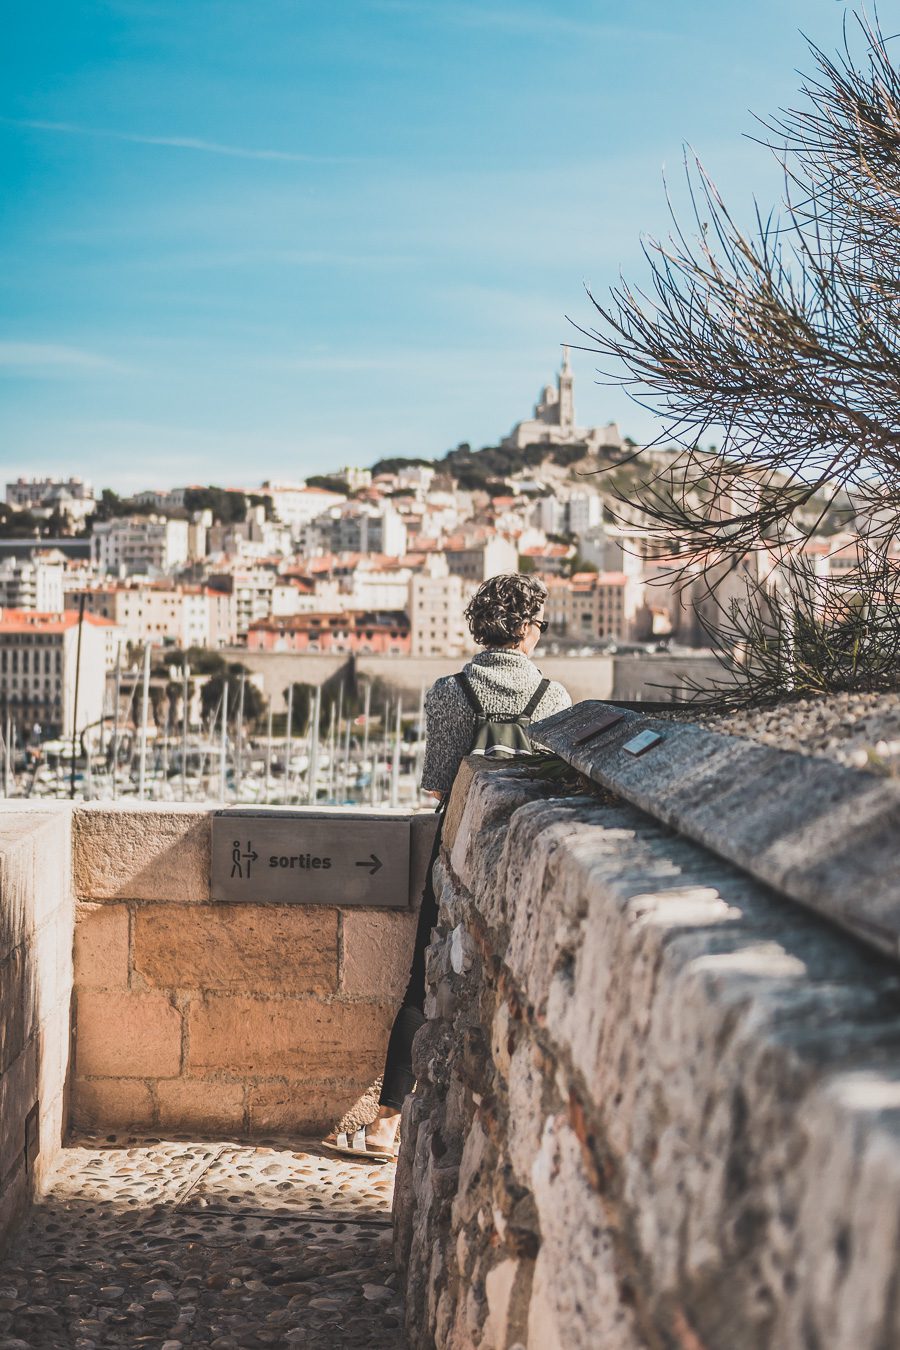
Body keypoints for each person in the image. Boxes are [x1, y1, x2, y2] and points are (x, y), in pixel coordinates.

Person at [324, 573, 571, 1160]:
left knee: (420, 983)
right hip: (524, 858)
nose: (540, 633)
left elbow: (437, 787)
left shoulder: (448, 692)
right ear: (523, 628)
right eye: (538, 623)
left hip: (457, 853)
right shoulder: (554, 699)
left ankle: (386, 1122)